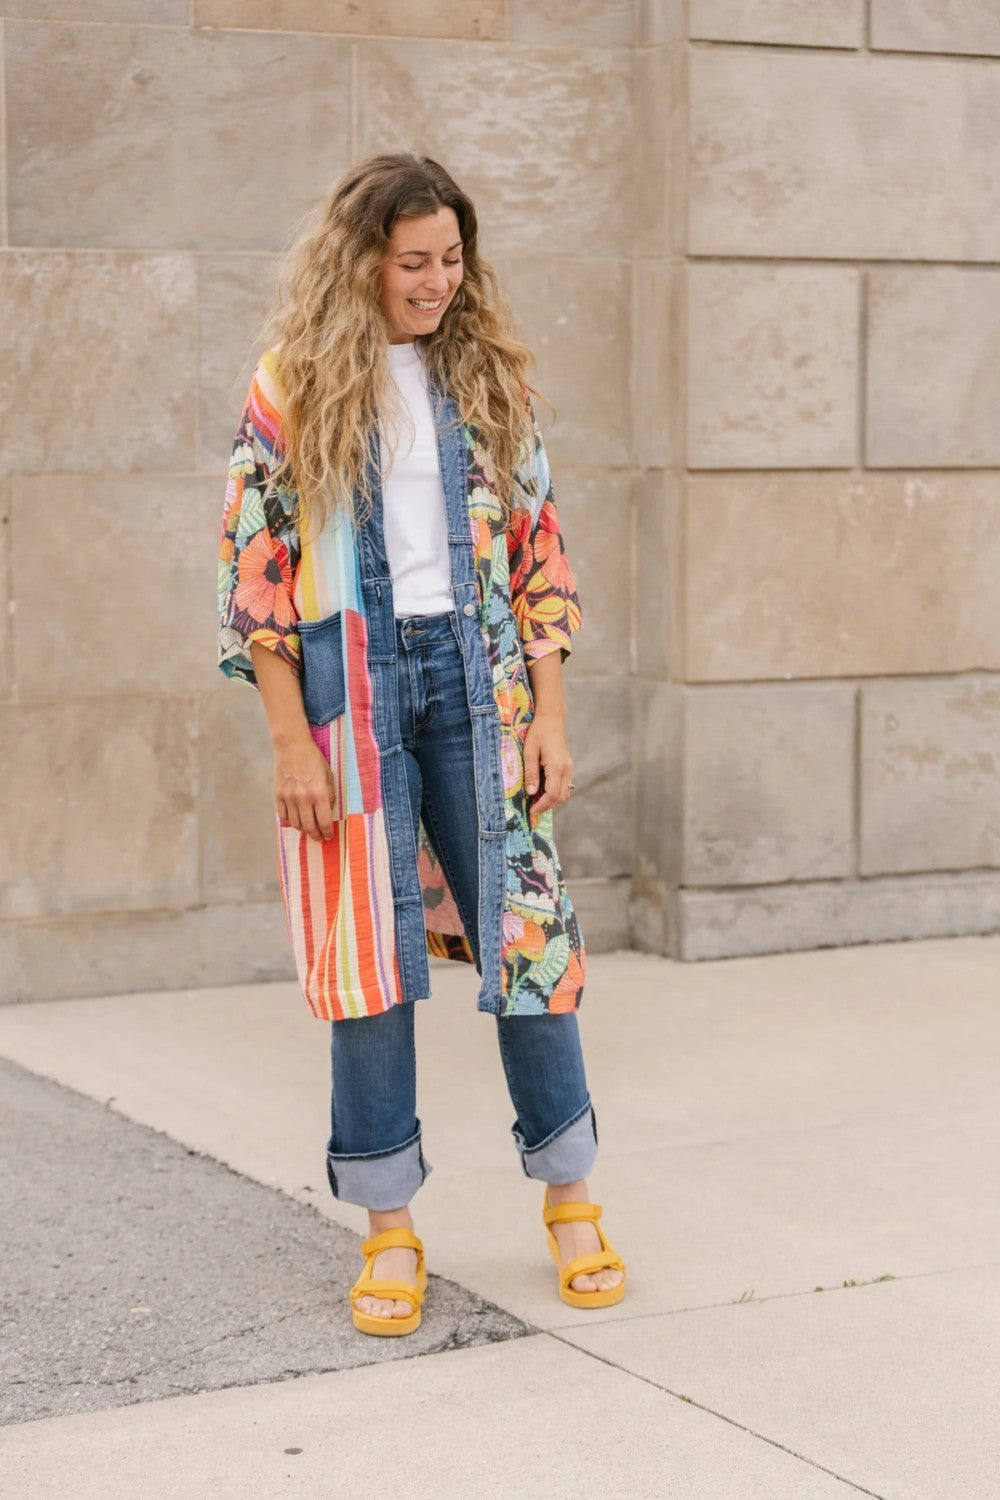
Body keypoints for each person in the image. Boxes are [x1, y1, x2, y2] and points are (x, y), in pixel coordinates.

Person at [217, 153, 625, 1336]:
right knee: (369, 964)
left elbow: (537, 554)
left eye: (452, 259)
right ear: (362, 262)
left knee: (528, 938)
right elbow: (257, 576)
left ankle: (571, 1199)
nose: (438, 281)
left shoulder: (487, 376)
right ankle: (390, 1228)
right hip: (351, 688)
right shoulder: (291, 386)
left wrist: (547, 713)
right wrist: (291, 742)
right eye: (414, 263)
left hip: (480, 681)